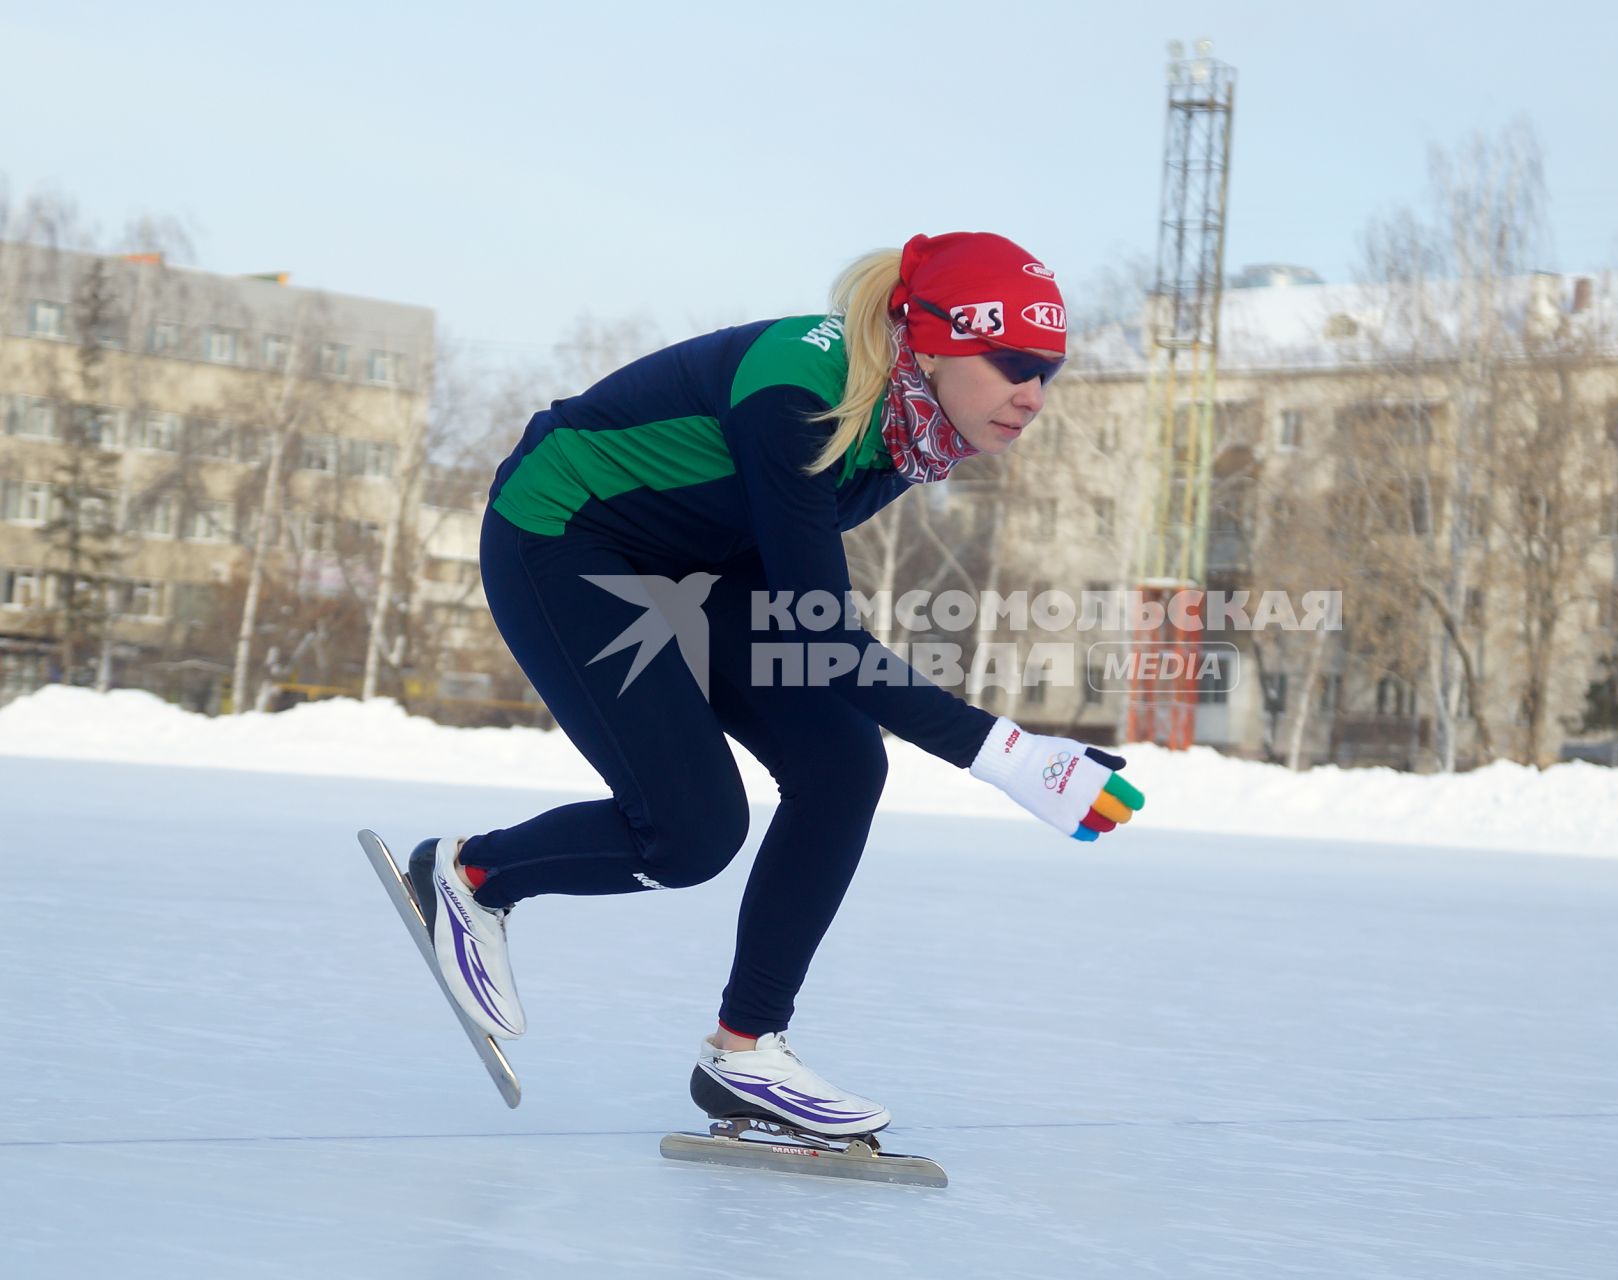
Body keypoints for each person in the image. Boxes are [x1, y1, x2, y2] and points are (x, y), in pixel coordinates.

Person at [410, 231, 1146, 1138]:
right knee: (690, 836)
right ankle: (473, 873)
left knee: (841, 765)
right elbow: (825, 636)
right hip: (566, 537)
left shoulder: (912, 426)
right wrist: (1008, 755)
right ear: (936, 341)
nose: (1033, 396)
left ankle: (746, 1050)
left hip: (702, 563)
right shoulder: (803, 395)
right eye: (1012, 364)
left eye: (1049, 372)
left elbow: (799, 606)